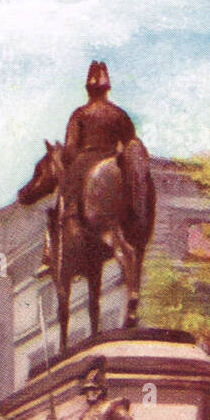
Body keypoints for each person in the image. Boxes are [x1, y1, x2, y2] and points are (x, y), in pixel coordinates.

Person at [38, 60, 142, 278]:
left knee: (64, 198)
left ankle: (52, 250)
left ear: (88, 89)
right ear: (107, 88)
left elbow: (70, 149)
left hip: (86, 161)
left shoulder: (80, 114)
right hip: (115, 159)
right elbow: (131, 143)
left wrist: (66, 159)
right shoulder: (119, 114)